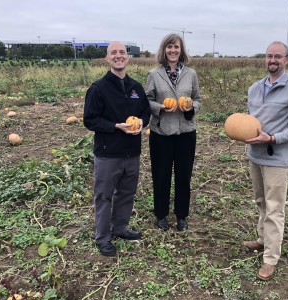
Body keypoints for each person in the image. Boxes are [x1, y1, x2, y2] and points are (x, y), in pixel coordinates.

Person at [242, 41, 288, 280]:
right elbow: (250, 120)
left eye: (278, 57)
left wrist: (271, 138)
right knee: (261, 201)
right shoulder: (254, 88)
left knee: (274, 208)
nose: (273, 60)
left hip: (278, 158)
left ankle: (271, 258)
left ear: (287, 60)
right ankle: (263, 240)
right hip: (255, 155)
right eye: (269, 56)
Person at [83, 41, 150, 256]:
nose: (118, 56)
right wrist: (114, 126)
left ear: (128, 57)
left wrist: (141, 122)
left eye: (122, 52)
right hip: (108, 153)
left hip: (132, 152)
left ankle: (120, 227)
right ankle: (103, 237)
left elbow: (146, 112)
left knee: (127, 193)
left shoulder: (136, 88)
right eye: (114, 53)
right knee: (103, 195)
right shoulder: (98, 88)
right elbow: (90, 120)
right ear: (107, 58)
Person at [145, 33, 201, 231]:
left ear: (181, 50)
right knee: (161, 175)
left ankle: (181, 215)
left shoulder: (191, 74)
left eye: (176, 47)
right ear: (164, 50)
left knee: (183, 175)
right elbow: (147, 100)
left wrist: (191, 107)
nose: (173, 50)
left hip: (186, 132)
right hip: (161, 132)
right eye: (169, 47)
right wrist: (160, 107)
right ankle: (161, 215)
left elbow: (198, 99)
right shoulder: (154, 74)